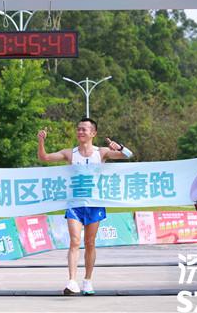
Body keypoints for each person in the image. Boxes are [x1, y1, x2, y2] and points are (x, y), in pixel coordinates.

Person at [37, 118, 133, 296]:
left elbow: (129, 155)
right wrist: (41, 141)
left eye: (84, 129)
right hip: (75, 204)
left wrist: (119, 147)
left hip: (94, 203)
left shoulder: (101, 152)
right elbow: (44, 158)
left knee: (90, 243)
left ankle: (88, 280)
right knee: (74, 241)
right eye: (78, 129)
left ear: (93, 133)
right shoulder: (70, 153)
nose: (80, 132)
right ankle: (72, 281)